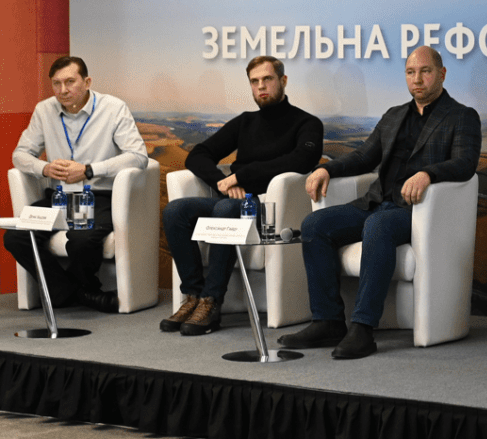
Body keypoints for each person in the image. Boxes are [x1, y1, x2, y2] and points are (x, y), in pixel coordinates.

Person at [277, 46, 481, 359]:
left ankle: (363, 328)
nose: (417, 79)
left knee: (379, 225)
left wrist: (428, 173)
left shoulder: (462, 116)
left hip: (418, 211)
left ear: (441, 74)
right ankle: (328, 320)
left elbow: (465, 163)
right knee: (315, 224)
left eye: (425, 71)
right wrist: (326, 169)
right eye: (411, 72)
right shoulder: (394, 115)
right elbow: (364, 156)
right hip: (376, 202)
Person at [159, 56, 323, 335]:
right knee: (175, 211)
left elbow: (300, 160)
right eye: (254, 81)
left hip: (270, 208)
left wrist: (241, 177)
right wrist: (222, 183)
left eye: (267, 79)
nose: (261, 86)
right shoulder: (245, 122)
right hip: (234, 200)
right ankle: (193, 296)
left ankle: (212, 301)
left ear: (283, 81)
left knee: (226, 209)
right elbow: (198, 155)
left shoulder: (307, 123)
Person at [5, 56, 149, 313]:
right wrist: (44, 168)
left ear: (87, 82)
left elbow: (138, 156)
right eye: (56, 83)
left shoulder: (113, 108)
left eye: (70, 82)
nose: (63, 90)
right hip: (59, 197)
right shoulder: (44, 110)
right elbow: (20, 154)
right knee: (16, 237)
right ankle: (76, 292)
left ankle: (66, 292)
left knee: (82, 241)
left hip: (98, 195)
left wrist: (89, 170)